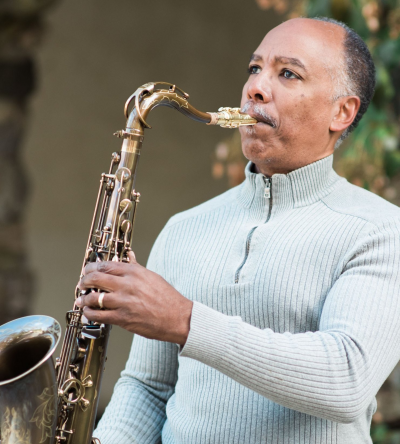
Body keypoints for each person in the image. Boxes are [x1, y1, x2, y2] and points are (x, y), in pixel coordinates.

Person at [76, 17, 400, 444]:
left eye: (288, 73)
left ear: (343, 111)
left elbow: (344, 381)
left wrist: (184, 320)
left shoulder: (380, 229)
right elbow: (148, 388)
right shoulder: (183, 228)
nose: (256, 88)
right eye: (254, 69)